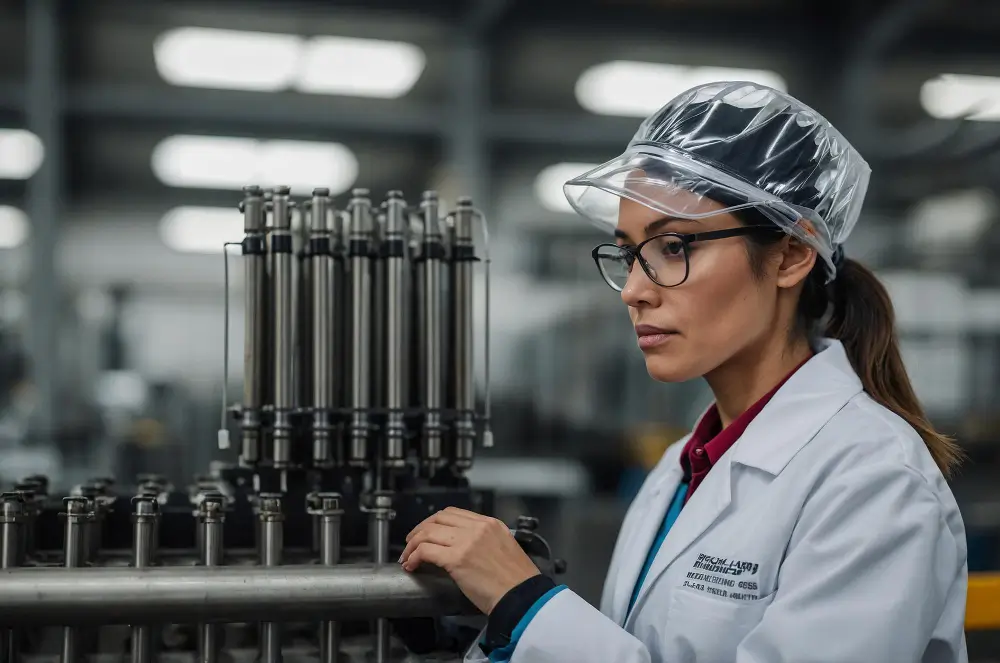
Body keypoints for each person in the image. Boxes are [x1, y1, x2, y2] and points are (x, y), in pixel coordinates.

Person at [399, 81, 969, 663]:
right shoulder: (678, 469)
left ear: (792, 255)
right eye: (628, 255)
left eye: (674, 246)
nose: (636, 291)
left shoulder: (873, 481)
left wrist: (526, 605)